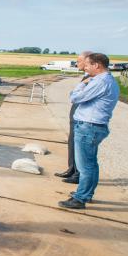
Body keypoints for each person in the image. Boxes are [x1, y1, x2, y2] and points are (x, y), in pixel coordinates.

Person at [58, 53, 119, 209]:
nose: (85, 68)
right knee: (91, 164)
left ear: (97, 65)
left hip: (88, 127)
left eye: (87, 65)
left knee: (85, 167)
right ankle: (86, 194)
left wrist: (81, 84)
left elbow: (76, 98)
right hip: (92, 126)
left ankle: (81, 198)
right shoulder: (106, 80)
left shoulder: (100, 81)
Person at [55, 51, 93, 184]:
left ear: (88, 62)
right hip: (76, 115)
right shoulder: (87, 76)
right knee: (72, 143)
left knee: (79, 147)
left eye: (79, 61)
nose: (77, 63)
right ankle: (72, 168)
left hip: (82, 117)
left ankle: (78, 174)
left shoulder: (93, 78)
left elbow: (77, 96)